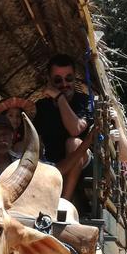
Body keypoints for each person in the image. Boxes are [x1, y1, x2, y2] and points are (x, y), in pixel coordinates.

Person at [34, 53, 95, 199]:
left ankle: (63, 202)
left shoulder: (85, 101)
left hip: (84, 163)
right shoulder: (41, 107)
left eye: (69, 78)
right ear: (50, 81)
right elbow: (36, 141)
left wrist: (60, 98)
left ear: (75, 78)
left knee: (73, 143)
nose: (64, 84)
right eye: (58, 80)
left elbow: (75, 130)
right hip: (54, 165)